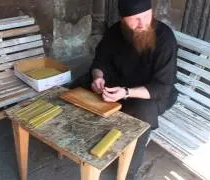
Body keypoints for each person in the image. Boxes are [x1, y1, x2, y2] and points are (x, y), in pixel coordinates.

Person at [71, 0, 178, 179]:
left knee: (142, 112)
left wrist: (127, 92)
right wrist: (98, 78)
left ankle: (129, 171)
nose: (143, 23)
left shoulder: (165, 38)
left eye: (146, 16)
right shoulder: (115, 31)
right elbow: (100, 62)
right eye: (135, 19)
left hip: (150, 93)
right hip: (119, 84)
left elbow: (163, 86)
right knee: (78, 85)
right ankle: (79, 142)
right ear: (122, 19)